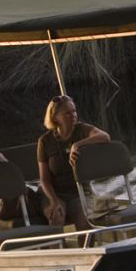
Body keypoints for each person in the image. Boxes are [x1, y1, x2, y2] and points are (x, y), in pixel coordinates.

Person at [37, 95, 110, 230]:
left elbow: (105, 137)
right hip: (54, 193)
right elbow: (44, 180)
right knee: (57, 216)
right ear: (55, 117)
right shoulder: (45, 141)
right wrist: (54, 200)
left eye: (74, 111)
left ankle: (87, 250)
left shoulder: (82, 129)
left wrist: (78, 145)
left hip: (79, 192)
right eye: (67, 113)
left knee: (85, 221)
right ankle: (58, 250)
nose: (73, 115)